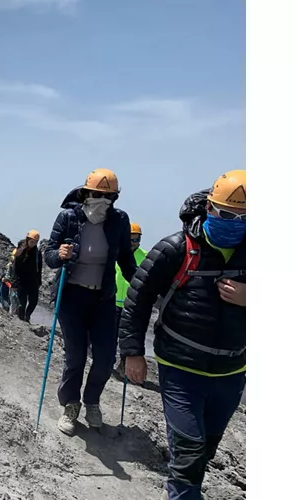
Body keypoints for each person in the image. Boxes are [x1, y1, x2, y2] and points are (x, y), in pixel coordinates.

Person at [119, 170, 246, 500]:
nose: (236, 222)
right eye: (228, 214)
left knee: (206, 448)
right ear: (209, 208)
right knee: (188, 452)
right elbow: (139, 297)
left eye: (247, 217)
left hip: (232, 373)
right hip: (180, 368)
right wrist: (133, 352)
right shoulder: (176, 248)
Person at [44, 168, 137, 436]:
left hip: (103, 299)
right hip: (71, 296)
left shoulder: (119, 220)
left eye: (109, 196)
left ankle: (92, 401)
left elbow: (127, 263)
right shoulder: (69, 217)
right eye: (97, 194)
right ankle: (70, 405)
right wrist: (59, 254)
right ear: (85, 193)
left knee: (105, 358)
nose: (103, 200)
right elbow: (50, 254)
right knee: (76, 356)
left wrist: (143, 287)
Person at [113, 222, 148, 375]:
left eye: (137, 239)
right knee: (110, 335)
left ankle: (123, 366)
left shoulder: (145, 257)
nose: (134, 243)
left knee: (128, 338)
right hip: (112, 302)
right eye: (131, 239)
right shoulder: (113, 253)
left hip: (131, 305)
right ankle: (106, 363)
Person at [7, 229, 43, 323]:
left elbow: (39, 268)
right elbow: (15, 268)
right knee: (22, 303)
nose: (33, 243)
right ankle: (22, 320)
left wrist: (39, 281)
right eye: (32, 241)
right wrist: (14, 283)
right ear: (27, 240)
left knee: (33, 301)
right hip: (21, 282)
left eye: (35, 242)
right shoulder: (20, 252)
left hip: (33, 281)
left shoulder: (37, 253)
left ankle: (27, 316)